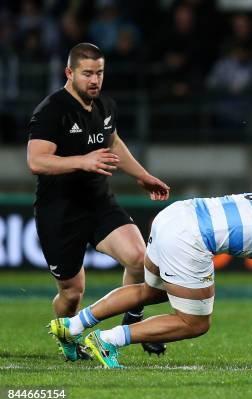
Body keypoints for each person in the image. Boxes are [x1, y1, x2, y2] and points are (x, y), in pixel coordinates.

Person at [48, 193, 252, 368]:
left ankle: (74, 326)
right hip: (191, 237)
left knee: (151, 291)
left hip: (177, 214)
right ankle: (108, 341)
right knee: (194, 322)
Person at [27, 43, 171, 360]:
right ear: (69, 73)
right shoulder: (51, 110)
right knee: (71, 291)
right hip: (60, 210)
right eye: (88, 73)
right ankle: (67, 336)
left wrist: (142, 175)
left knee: (139, 258)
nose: (95, 80)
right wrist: (83, 161)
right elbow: (37, 161)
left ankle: (132, 319)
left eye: (100, 73)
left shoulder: (104, 105)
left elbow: (113, 142)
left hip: (99, 201)